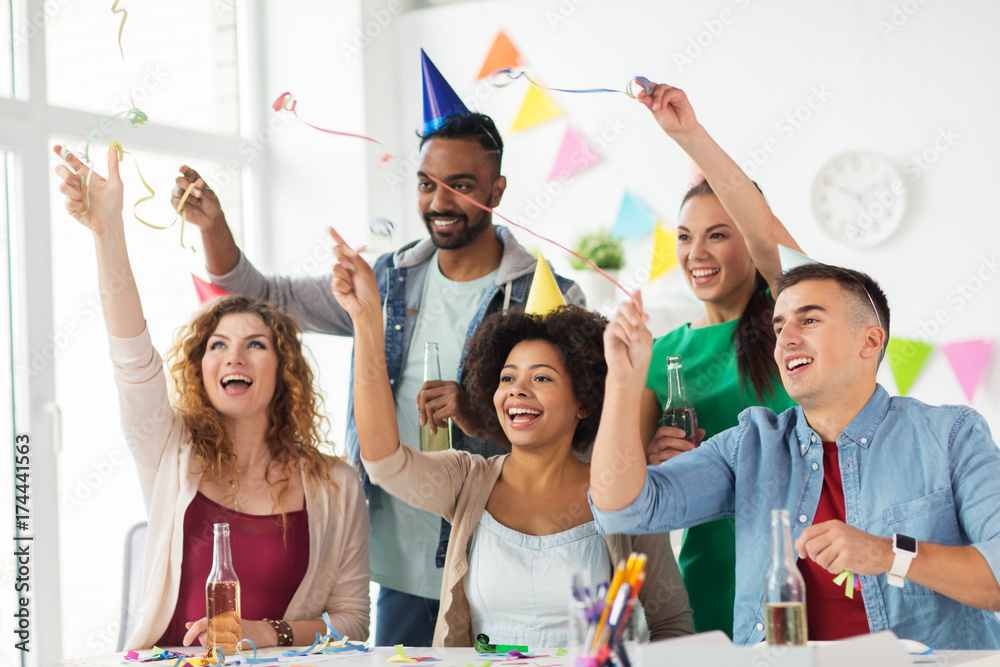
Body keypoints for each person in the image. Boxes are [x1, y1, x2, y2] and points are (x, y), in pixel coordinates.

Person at [171, 111, 583, 646]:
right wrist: (213, 227)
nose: (439, 202)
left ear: (497, 189)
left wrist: (475, 413)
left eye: (461, 186)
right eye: (426, 184)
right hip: (398, 562)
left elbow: (575, 429)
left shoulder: (547, 295)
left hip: (499, 555)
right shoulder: (389, 279)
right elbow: (268, 297)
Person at [53, 145, 371, 650]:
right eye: (218, 346)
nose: (233, 358)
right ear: (200, 369)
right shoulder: (169, 450)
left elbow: (353, 622)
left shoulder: (336, 484)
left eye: (255, 345)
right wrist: (106, 230)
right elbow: (132, 358)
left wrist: (264, 633)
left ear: (285, 370)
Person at [591, 264, 1000, 649]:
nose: (785, 338)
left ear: (870, 340)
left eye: (809, 320)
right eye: (780, 325)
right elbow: (623, 510)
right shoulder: (749, 445)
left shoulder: (951, 435)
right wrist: (623, 383)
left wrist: (888, 554)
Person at [328, 228, 692, 646]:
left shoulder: (624, 495)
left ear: (584, 401)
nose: (517, 390)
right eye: (507, 378)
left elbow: (671, 625)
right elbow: (382, 460)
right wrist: (367, 319)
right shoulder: (467, 480)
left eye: (541, 377)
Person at [634, 82, 803, 637]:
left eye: (717, 235)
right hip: (707, 577)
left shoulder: (792, 317)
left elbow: (762, 226)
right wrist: (655, 458)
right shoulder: (659, 354)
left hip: (802, 563)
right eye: (684, 237)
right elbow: (623, 486)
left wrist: (688, 136)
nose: (695, 254)